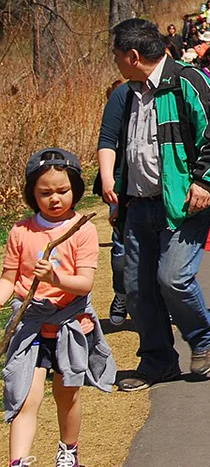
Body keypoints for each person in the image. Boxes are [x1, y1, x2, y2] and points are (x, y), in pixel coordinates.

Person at [109, 18, 210, 391]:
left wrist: (204, 182)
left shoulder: (187, 82)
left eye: (118, 56)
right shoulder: (129, 93)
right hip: (138, 203)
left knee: (173, 278)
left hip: (184, 203)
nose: (116, 63)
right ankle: (158, 361)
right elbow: (122, 146)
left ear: (133, 55)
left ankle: (202, 336)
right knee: (136, 287)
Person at [1, 149, 117, 467]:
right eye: (45, 193)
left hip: (70, 322)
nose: (55, 199)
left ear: (75, 190)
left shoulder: (83, 229)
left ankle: (68, 451)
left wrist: (56, 277)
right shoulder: (20, 232)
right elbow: (9, 279)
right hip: (29, 325)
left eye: (63, 191)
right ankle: (18, 461)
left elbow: (84, 284)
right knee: (26, 395)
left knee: (68, 396)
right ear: (32, 194)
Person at [97, 79, 131, 327]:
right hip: (121, 186)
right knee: (120, 251)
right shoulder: (115, 123)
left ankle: (159, 300)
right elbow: (107, 147)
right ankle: (121, 294)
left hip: (155, 189)